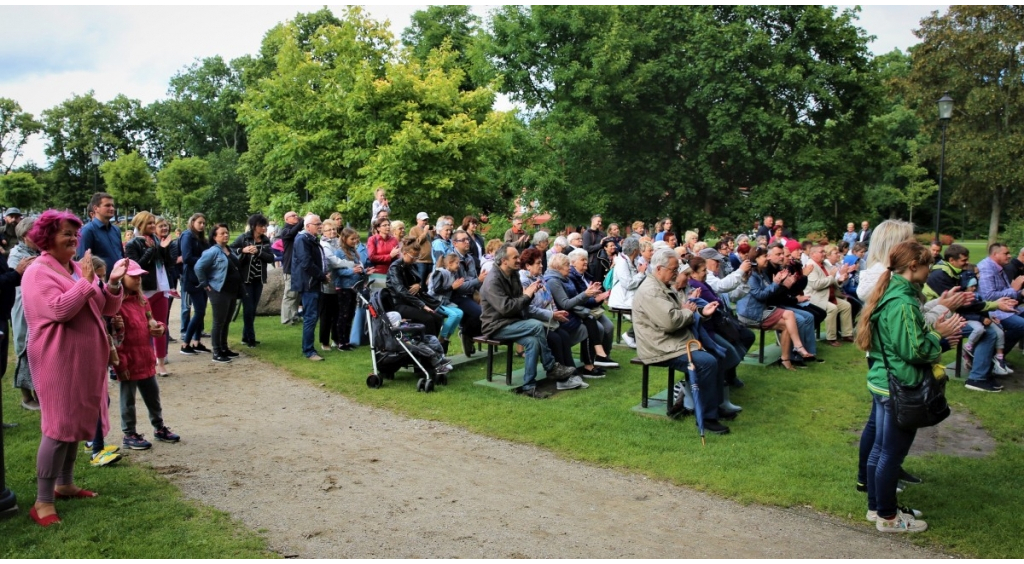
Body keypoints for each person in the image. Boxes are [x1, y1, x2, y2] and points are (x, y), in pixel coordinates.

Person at [23, 211, 127, 527]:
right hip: (58, 361)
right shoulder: (37, 273)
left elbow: (104, 308)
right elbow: (59, 310)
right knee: (57, 429)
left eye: (75, 232)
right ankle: (42, 502)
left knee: (74, 425)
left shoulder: (73, 269)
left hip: (84, 362)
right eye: (66, 233)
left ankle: (65, 483)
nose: (73, 238)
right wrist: (85, 281)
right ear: (46, 237)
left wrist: (111, 283)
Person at [855, 241, 963, 533]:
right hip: (898, 386)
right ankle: (889, 518)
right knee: (891, 453)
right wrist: (939, 338)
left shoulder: (895, 293)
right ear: (913, 266)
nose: (931, 269)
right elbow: (912, 350)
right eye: (928, 264)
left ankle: (877, 508)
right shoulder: (902, 301)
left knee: (880, 449)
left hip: (883, 383)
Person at [632, 248, 732, 434]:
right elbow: (671, 321)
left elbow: (682, 312)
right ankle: (707, 419)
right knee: (707, 362)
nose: (677, 273)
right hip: (659, 347)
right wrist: (690, 311)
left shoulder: (663, 285)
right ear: (659, 268)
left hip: (673, 341)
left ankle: (714, 407)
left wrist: (702, 312)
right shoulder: (650, 291)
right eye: (673, 269)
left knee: (715, 357)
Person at [479, 243, 578, 398]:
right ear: (504, 261)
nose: (519, 260)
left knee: (532, 342)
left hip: (512, 322)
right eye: (515, 257)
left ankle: (529, 387)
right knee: (538, 326)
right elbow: (506, 308)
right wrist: (527, 295)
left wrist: (530, 293)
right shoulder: (492, 281)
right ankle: (551, 367)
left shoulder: (513, 274)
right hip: (496, 325)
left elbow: (521, 303)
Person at [111, 259, 180, 450]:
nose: (138, 280)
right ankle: (129, 433)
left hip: (145, 357)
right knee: (128, 399)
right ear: (121, 278)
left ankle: (159, 427)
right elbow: (116, 338)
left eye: (140, 276)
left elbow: (152, 323)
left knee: (153, 396)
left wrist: (161, 328)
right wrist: (120, 365)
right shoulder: (116, 306)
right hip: (128, 360)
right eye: (133, 277)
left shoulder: (142, 301)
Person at [519, 247, 598, 385]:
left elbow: (550, 300)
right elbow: (529, 309)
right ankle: (562, 379)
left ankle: (570, 373)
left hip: (548, 319)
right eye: (538, 263)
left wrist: (556, 314)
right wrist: (552, 314)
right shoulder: (524, 281)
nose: (542, 265)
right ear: (527, 266)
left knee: (564, 335)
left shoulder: (540, 278)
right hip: (533, 321)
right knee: (555, 338)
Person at [736, 246, 818, 370]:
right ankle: (797, 348)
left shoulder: (761, 272)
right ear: (755, 259)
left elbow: (772, 292)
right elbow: (761, 295)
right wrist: (777, 283)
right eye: (765, 256)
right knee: (790, 315)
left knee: (787, 324)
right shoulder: (752, 275)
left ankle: (786, 358)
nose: (767, 259)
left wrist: (781, 283)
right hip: (751, 314)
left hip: (761, 309)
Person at [124, 211, 173, 376]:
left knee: (160, 325)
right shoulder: (133, 244)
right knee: (144, 327)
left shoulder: (157, 239)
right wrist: (152, 250)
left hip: (162, 287)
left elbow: (167, 262)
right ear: (140, 225)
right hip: (145, 290)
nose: (153, 226)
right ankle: (146, 361)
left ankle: (161, 362)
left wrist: (164, 249)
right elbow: (136, 267)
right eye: (150, 223)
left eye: (154, 223)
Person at [194, 223, 241, 363]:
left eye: (226, 233)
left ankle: (224, 348)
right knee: (218, 322)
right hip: (219, 290)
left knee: (226, 321)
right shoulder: (212, 252)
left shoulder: (229, 249)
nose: (225, 235)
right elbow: (199, 267)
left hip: (231, 290)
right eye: (222, 233)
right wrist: (205, 284)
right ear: (214, 237)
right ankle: (216, 351)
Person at [566, 249, 617, 367]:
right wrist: (595, 299)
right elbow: (579, 299)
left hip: (593, 309)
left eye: (586, 259)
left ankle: (604, 356)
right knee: (598, 328)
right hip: (581, 310)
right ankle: (590, 360)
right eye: (582, 259)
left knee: (609, 326)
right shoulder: (571, 277)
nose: (585, 262)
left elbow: (590, 293)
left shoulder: (586, 275)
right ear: (573, 263)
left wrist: (598, 294)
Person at [7, 216, 38, 410]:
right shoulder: (17, 254)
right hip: (22, 305)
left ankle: (39, 393)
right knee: (23, 347)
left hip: (37, 304)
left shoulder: (39, 251)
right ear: (25, 235)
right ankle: (26, 397)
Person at [231, 214, 273, 348]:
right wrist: (242, 250)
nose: (265, 228)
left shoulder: (265, 240)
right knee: (248, 309)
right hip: (245, 280)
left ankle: (245, 336)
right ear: (254, 226)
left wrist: (258, 253)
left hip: (258, 279)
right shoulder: (244, 238)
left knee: (253, 309)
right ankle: (250, 338)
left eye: (265, 225)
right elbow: (230, 249)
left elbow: (271, 258)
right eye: (262, 226)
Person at [387, 239, 443, 336]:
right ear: (404, 253)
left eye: (417, 257)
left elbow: (417, 281)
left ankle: (434, 344)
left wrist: (419, 285)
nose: (415, 259)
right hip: (399, 304)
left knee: (438, 318)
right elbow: (401, 290)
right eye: (413, 256)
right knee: (428, 319)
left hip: (412, 302)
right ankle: (426, 346)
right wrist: (422, 305)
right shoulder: (395, 268)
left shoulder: (410, 265)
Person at [292, 214, 328, 361]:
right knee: (310, 317)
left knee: (312, 317)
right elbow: (306, 263)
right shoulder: (302, 239)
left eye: (320, 223)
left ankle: (309, 348)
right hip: (309, 284)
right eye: (317, 224)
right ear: (308, 226)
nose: (320, 226)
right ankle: (309, 351)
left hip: (313, 282)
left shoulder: (310, 239)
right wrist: (322, 276)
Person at [805, 245, 854, 346]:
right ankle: (831, 338)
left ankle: (847, 334)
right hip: (815, 297)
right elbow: (816, 285)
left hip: (827, 295)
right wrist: (831, 276)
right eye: (821, 252)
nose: (824, 254)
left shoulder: (824, 264)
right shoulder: (811, 265)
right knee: (832, 308)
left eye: (824, 252)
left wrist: (839, 280)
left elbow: (831, 281)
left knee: (846, 305)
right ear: (813, 254)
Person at [179, 213, 211, 355]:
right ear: (192, 222)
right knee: (199, 311)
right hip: (192, 278)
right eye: (200, 222)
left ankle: (197, 341)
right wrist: (204, 261)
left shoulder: (202, 239)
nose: (202, 225)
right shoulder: (187, 236)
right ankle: (186, 344)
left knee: (201, 311)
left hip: (202, 278)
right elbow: (187, 257)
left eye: (204, 223)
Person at [450, 229, 484, 355]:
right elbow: (458, 286)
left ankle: (469, 335)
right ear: (455, 243)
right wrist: (476, 281)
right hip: (455, 297)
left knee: (490, 309)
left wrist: (476, 290)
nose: (467, 242)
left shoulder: (469, 258)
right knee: (478, 313)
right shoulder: (451, 260)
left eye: (467, 239)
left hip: (469, 294)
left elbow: (471, 279)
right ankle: (466, 334)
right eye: (463, 240)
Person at [609, 237, 647, 348]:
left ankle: (637, 336)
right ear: (635, 250)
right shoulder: (622, 262)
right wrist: (641, 274)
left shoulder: (633, 260)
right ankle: (630, 335)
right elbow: (628, 284)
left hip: (631, 297)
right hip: (622, 299)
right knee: (646, 312)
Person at [332, 227, 366, 351]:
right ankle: (341, 342)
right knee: (343, 314)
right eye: (352, 239)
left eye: (356, 238)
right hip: (343, 287)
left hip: (354, 286)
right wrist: (352, 270)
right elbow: (338, 271)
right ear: (344, 239)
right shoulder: (339, 252)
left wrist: (364, 271)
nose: (355, 241)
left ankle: (347, 340)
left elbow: (358, 266)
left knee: (351, 313)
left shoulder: (354, 251)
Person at [427, 254, 466, 354]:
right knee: (453, 314)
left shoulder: (451, 274)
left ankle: (447, 337)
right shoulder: (440, 272)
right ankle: (441, 338)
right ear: (450, 263)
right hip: (434, 302)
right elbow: (436, 289)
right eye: (457, 263)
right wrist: (452, 287)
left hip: (444, 302)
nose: (459, 265)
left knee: (460, 313)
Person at [76, 192, 122, 272]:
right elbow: (83, 261)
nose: (112, 208)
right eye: (107, 205)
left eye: (112, 205)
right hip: (100, 281)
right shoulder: (87, 231)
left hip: (119, 280)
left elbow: (120, 254)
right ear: (95, 208)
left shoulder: (116, 230)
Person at [278, 211, 304, 324]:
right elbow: (291, 233)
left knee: (297, 294)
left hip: (298, 267)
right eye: (292, 216)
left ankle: (294, 316)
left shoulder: (298, 230)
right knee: (289, 294)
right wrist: (303, 221)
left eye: (296, 215)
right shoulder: (285, 231)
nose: (296, 217)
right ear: (286, 219)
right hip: (290, 267)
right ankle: (286, 318)